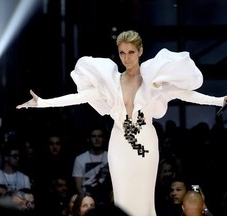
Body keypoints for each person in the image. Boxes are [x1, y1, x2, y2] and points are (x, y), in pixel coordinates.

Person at [16, 30, 227, 216]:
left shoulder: (153, 80)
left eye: (131, 52)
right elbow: (79, 97)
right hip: (119, 143)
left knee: (144, 197)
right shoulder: (111, 82)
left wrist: (219, 100)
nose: (126, 58)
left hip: (146, 142)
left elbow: (184, 94)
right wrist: (42, 103)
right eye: (122, 53)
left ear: (140, 51)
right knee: (122, 196)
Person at [72, 125, 112, 204]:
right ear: (88, 139)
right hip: (86, 198)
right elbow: (78, 186)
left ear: (104, 138)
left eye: (99, 136)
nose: (97, 139)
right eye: (94, 136)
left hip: (106, 198)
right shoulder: (80, 159)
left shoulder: (110, 157)